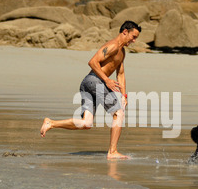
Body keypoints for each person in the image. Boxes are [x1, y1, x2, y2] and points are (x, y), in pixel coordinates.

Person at [40, 20, 141, 159]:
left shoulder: (122, 52)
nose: (134, 40)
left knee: (86, 123)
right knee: (118, 113)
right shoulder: (113, 46)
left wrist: (124, 95)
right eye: (133, 36)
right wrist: (106, 80)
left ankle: (51, 123)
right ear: (125, 32)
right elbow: (93, 62)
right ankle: (112, 152)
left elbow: (121, 74)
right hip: (95, 81)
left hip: (88, 82)